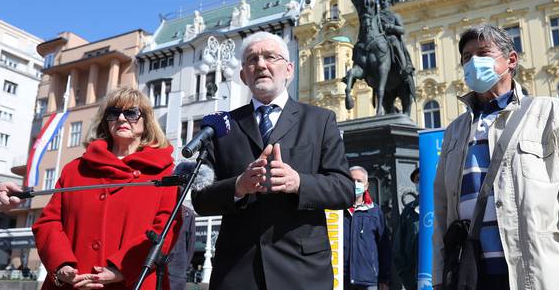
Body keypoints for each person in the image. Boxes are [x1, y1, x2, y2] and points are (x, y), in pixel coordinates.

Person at [432, 24, 559, 289]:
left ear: (511, 60)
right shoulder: (455, 131)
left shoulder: (550, 114)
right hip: (470, 277)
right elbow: (442, 214)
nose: (473, 62)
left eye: (483, 53)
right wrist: (438, 278)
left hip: (535, 277)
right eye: (467, 58)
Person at [191, 31, 355, 290]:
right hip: (237, 271)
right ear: (244, 75)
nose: (261, 65)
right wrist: (238, 187)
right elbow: (200, 198)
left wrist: (298, 182)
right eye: (252, 60)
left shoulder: (320, 121)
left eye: (270, 57)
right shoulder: (223, 127)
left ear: (288, 69)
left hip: (302, 271)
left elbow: (345, 189)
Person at [32, 87, 180, 289]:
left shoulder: (165, 173)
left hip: (134, 282)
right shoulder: (75, 169)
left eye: (131, 113)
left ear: (147, 122)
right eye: (113, 113)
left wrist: (124, 268)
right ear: (105, 121)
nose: (121, 118)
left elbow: (166, 227)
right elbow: (49, 221)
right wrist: (61, 264)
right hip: (72, 284)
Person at [343, 166, 390, 290]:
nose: (355, 184)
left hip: (368, 280)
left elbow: (384, 247)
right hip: (340, 278)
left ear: (366, 186)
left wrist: (384, 278)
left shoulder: (375, 212)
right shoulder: (336, 210)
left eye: (359, 181)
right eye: (352, 180)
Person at [393, 168, 419, 290]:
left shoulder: (443, 206)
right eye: (418, 180)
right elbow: (398, 250)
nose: (421, 183)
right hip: (415, 280)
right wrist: (408, 280)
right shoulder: (409, 211)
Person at [167, 205, 196, 290]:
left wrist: (183, 268)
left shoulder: (188, 214)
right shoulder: (159, 208)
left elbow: (191, 244)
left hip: (177, 272)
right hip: (157, 270)